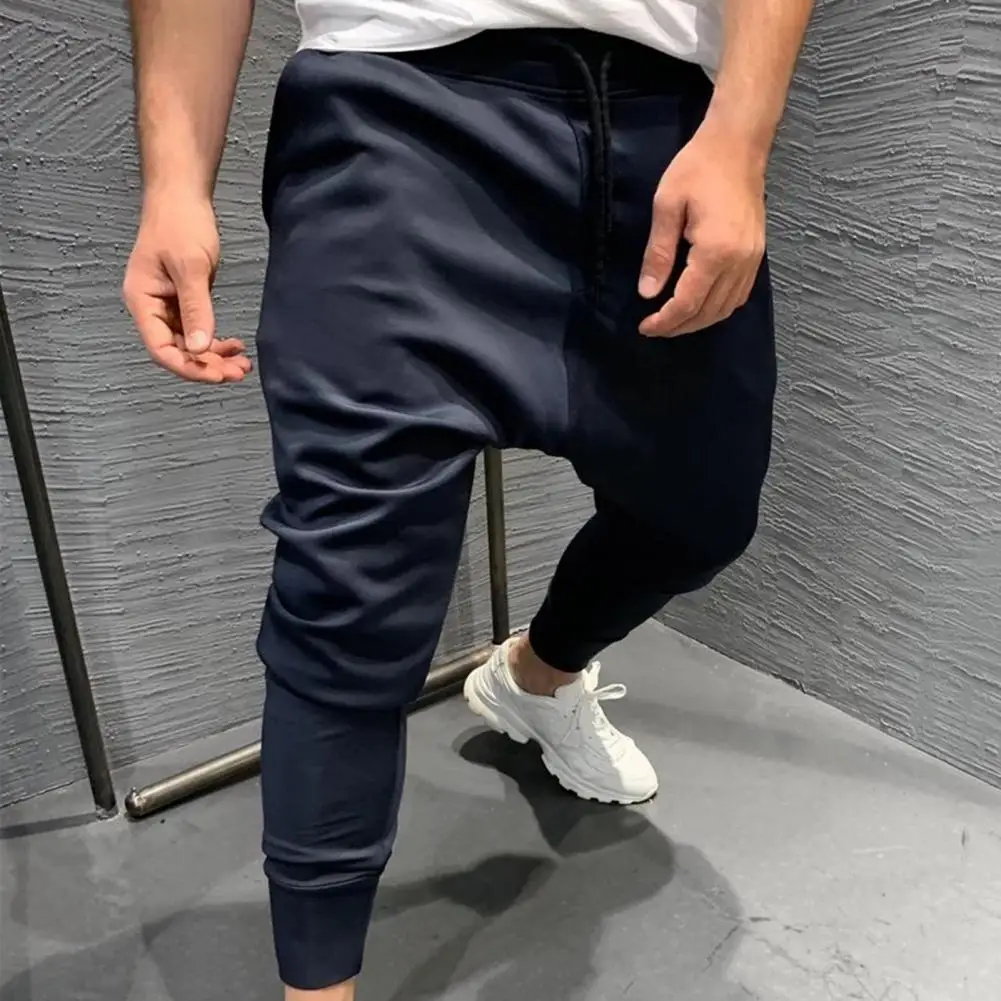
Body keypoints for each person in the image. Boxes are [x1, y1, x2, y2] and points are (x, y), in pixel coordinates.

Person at [123, 1, 813, 997]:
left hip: (669, 133)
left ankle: (536, 676)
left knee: (700, 513)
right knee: (349, 596)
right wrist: (174, 181)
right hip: (392, 118)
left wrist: (742, 131)